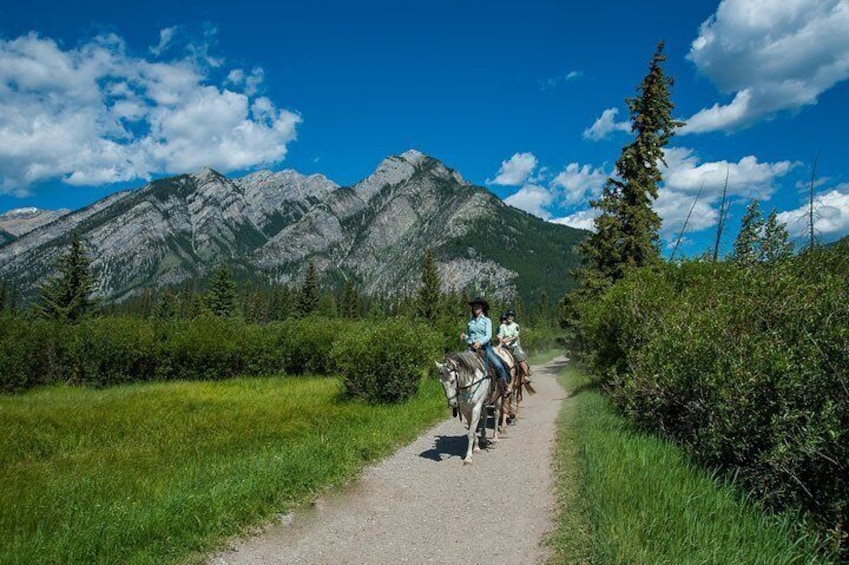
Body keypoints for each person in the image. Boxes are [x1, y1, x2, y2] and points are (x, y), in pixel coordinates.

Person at [460, 297, 511, 392]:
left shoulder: (487, 320)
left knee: (498, 365)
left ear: (482, 308)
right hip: (471, 349)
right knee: (460, 365)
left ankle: (505, 385)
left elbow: (488, 335)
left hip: (484, 348)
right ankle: (459, 391)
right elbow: (470, 337)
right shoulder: (470, 321)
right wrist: (465, 337)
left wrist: (480, 343)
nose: (476, 308)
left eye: (478, 306)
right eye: (474, 306)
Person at [498, 310, 531, 379]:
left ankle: (526, 374)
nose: (510, 317)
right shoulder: (502, 326)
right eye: (509, 316)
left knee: (520, 358)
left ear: (513, 317)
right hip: (504, 345)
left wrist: (507, 340)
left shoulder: (516, 326)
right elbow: (500, 335)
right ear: (506, 317)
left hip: (513, 346)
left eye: (511, 316)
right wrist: (501, 341)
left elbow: (515, 336)